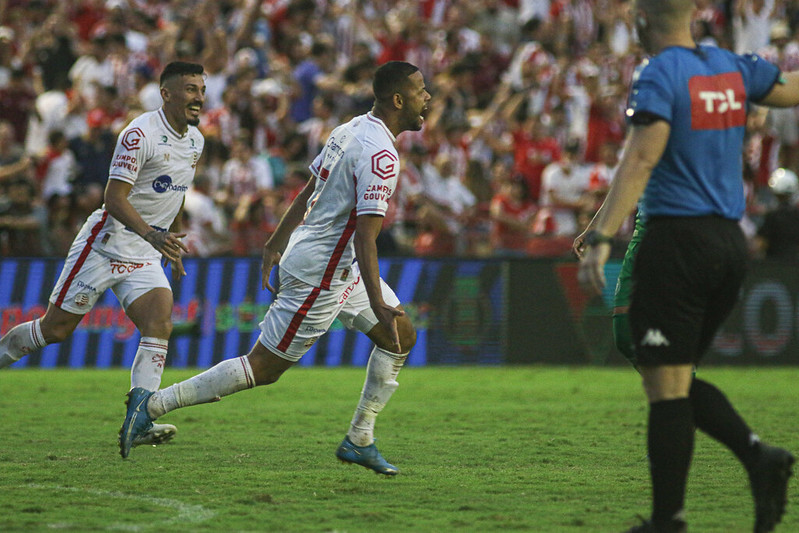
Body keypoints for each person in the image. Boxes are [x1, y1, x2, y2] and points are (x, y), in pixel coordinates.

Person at [119, 61, 430, 476]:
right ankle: (151, 404)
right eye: (420, 90)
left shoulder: (351, 128)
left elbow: (309, 189)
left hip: (336, 266)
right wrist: (376, 299)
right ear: (398, 99)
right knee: (263, 367)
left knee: (401, 336)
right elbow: (365, 237)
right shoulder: (381, 156)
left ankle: (360, 439)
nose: (427, 98)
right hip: (320, 273)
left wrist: (275, 242)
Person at [574, 1, 796, 532]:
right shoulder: (731, 66)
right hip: (728, 244)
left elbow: (642, 157)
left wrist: (603, 236)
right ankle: (747, 464)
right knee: (671, 377)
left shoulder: (659, 73)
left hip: (675, 242)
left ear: (641, 21)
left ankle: (673, 516)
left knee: (667, 387)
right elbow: (789, 88)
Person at [0, 61, 206, 449]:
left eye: (201, 89)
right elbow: (113, 199)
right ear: (167, 94)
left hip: (146, 252)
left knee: (159, 323)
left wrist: (171, 241)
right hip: (106, 243)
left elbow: (174, 192)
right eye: (191, 89)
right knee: (55, 330)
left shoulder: (196, 141)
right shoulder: (139, 133)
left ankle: (140, 419)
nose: (199, 97)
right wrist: (152, 234)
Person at [754, 167, 799, 260]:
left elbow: (761, 243)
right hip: (794, 266)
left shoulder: (772, 215)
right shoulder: (796, 214)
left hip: (773, 266)